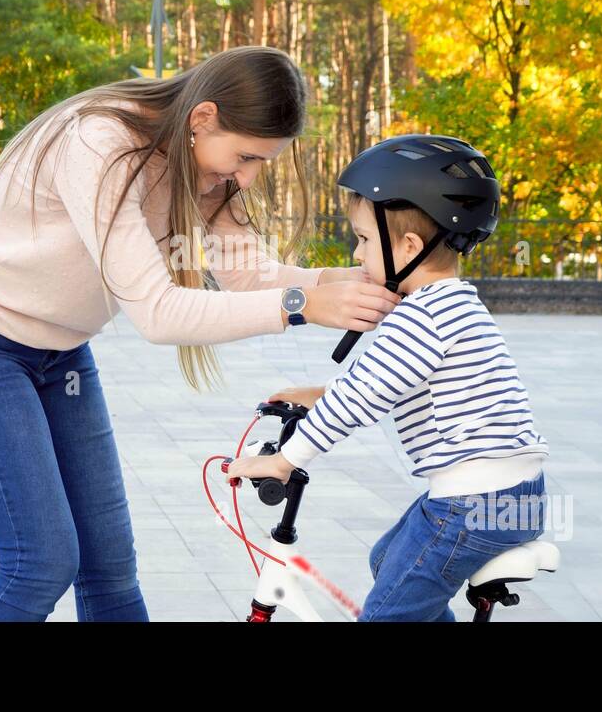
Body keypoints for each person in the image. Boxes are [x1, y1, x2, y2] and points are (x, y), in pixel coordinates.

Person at [0, 46, 402, 621]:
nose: (247, 177)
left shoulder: (209, 171)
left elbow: (250, 276)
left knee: (110, 570)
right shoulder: (101, 144)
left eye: (262, 162)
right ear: (202, 119)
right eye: (244, 156)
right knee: (39, 562)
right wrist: (303, 304)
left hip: (60, 354)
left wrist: (356, 281)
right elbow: (158, 313)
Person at [223, 134, 550, 622]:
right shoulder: (454, 301)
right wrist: (322, 394)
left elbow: (361, 400)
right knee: (386, 563)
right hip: (510, 494)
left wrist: (284, 461)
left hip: (471, 503)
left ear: (410, 246)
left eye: (363, 240)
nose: (356, 255)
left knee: (386, 615)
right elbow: (384, 382)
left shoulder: (422, 316)